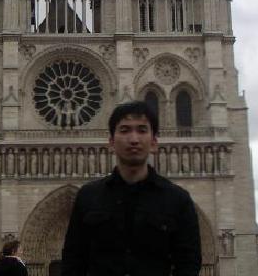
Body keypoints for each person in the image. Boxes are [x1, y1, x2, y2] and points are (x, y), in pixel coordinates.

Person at [61, 101, 202, 276]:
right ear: (111, 142)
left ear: (154, 142)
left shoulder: (178, 200)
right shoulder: (88, 197)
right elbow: (73, 262)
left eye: (142, 130)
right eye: (124, 130)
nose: (134, 139)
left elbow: (188, 265)